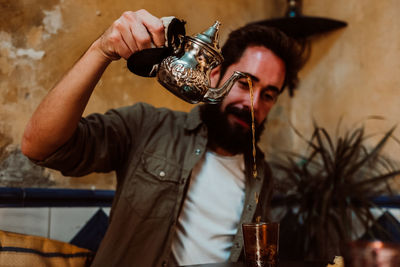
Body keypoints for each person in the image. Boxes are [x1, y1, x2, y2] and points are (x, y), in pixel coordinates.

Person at [21, 9, 305, 267]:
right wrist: (102, 50)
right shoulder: (147, 127)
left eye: (268, 95)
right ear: (216, 76)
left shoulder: (261, 175)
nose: (254, 104)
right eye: (245, 84)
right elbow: (40, 147)